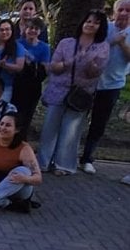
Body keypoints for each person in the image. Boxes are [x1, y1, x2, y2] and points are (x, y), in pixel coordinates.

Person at [38, 10, 109, 176]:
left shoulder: (102, 47)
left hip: (80, 94)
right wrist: (69, 62)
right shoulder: (66, 43)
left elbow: (96, 73)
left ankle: (63, 165)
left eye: (95, 22)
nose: (90, 25)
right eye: (88, 21)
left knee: (70, 131)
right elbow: (53, 67)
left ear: (101, 27)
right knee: (50, 127)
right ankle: (43, 162)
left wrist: (91, 63)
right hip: (59, 90)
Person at [81, 0, 130, 174]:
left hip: (112, 85)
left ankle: (87, 158)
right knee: (77, 117)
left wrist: (122, 43)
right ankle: (67, 154)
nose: (123, 13)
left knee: (99, 123)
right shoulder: (105, 27)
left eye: (128, 10)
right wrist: (112, 41)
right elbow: (90, 46)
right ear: (114, 12)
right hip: (89, 82)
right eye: (121, 9)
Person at [12, 17, 51, 135]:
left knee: (26, 115)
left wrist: (32, 63)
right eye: (30, 27)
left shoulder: (44, 47)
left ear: (40, 31)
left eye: (36, 28)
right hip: (17, 82)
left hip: (33, 85)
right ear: (24, 29)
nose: (32, 30)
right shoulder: (17, 43)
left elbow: (45, 68)